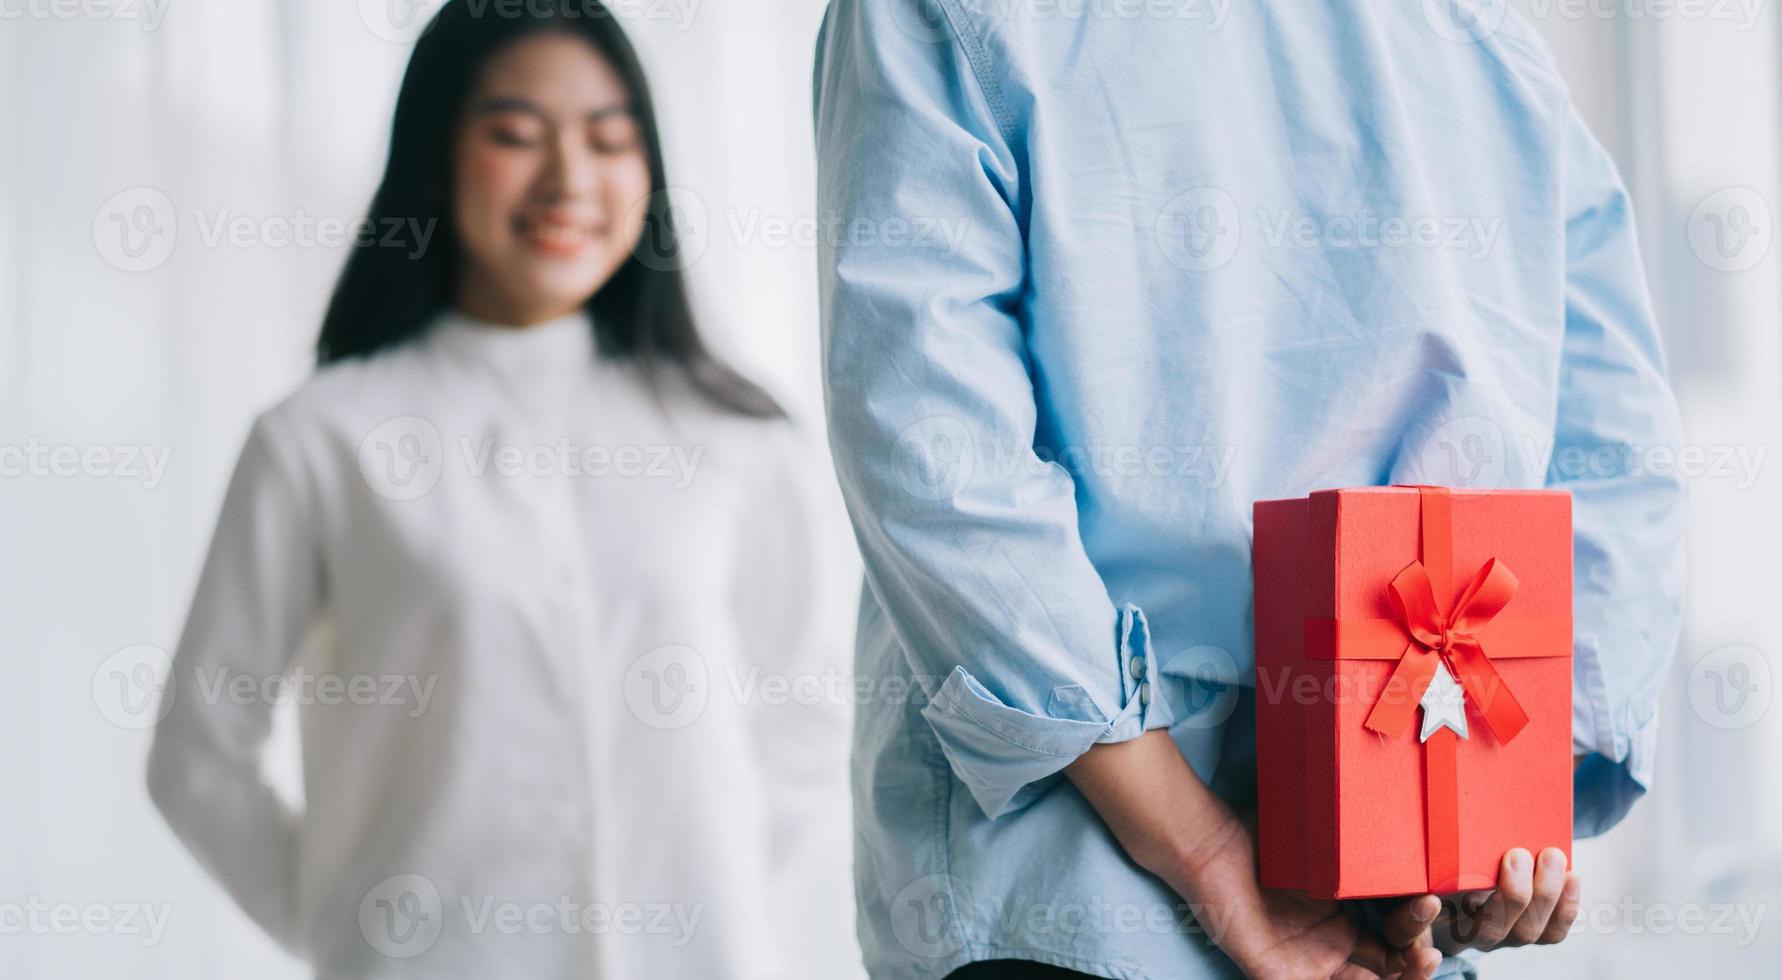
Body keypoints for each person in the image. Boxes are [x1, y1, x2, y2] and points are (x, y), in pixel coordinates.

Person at [813, 1, 1684, 978]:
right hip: (1403, 871)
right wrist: (1501, 793)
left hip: (1069, 893)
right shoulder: (1486, 38)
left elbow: (932, 439)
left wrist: (1206, 846)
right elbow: (1621, 457)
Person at [148, 3, 857, 977]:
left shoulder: (738, 436)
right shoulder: (321, 439)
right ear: (436, 154)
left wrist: (690, 893)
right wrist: (349, 924)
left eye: (611, 138)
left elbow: (809, 709)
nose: (570, 178)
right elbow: (198, 753)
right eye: (517, 135)